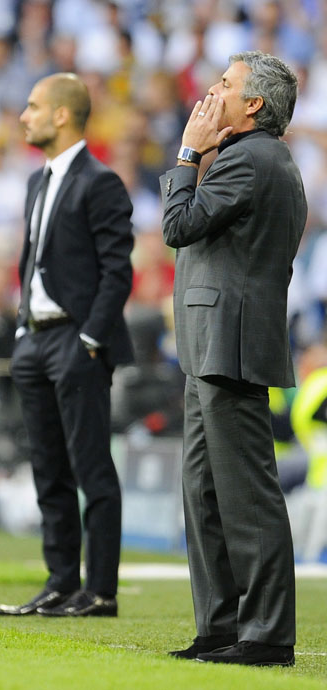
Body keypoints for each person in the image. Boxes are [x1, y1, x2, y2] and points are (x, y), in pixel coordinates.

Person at [160, 51, 307, 666]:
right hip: (210, 343)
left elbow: (178, 226)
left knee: (244, 495)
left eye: (224, 84)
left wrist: (188, 155)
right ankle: (220, 624)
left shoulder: (250, 159)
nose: (210, 92)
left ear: (253, 105)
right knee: (205, 491)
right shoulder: (254, 158)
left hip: (229, 343)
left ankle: (267, 634)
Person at [0, 73, 134, 617]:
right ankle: (59, 582)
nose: (22, 116)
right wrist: (24, 329)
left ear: (61, 115)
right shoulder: (38, 181)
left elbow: (117, 271)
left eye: (32, 107)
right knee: (48, 468)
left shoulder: (100, 182)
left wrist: (92, 337)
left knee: (91, 466)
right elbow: (34, 260)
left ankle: (99, 590)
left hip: (77, 341)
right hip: (35, 341)